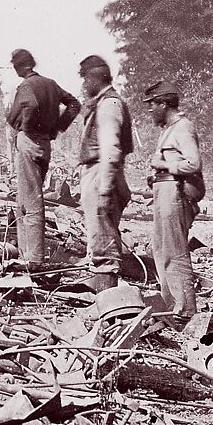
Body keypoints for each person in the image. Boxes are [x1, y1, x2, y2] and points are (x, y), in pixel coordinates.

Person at [5, 49, 82, 264]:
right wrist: (57, 128)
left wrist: (25, 127)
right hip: (44, 144)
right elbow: (74, 104)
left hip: (29, 141)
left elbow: (29, 106)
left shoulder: (26, 86)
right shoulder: (51, 83)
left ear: (21, 66)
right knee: (24, 199)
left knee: (31, 202)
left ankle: (35, 258)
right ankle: (25, 254)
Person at [144, 81, 204, 322]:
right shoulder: (168, 129)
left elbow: (193, 163)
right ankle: (171, 307)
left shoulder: (183, 128)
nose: (150, 111)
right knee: (161, 249)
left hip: (176, 193)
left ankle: (185, 311)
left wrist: (164, 166)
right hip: (165, 190)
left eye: (152, 105)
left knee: (175, 251)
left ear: (164, 104)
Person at [76, 55, 134, 292]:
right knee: (100, 230)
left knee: (103, 232)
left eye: (84, 80)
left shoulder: (109, 104)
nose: (83, 86)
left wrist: (105, 186)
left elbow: (111, 148)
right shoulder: (104, 102)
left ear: (94, 78)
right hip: (102, 171)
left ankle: (106, 291)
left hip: (102, 171)